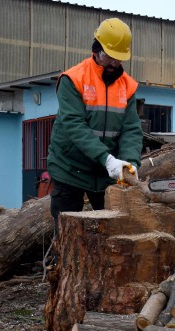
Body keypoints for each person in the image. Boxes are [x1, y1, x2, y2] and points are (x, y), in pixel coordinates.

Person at [47, 17, 143, 234]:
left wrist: (130, 162)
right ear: (97, 49)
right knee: (67, 234)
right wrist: (106, 158)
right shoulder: (73, 79)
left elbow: (131, 129)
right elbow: (74, 126)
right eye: (109, 57)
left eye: (119, 59)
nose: (114, 64)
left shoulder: (127, 86)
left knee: (113, 234)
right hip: (70, 167)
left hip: (105, 174)